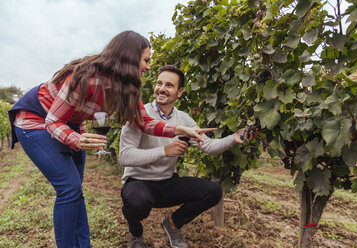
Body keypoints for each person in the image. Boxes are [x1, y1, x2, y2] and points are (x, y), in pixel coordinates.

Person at [8, 31, 211, 248]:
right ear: (130, 58)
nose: (149, 67)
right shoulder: (85, 79)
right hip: (36, 119)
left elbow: (145, 122)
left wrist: (179, 128)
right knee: (69, 188)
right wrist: (76, 139)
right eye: (146, 60)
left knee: (76, 190)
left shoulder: (128, 89)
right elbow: (53, 121)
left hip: (68, 124)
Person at [119, 65, 253, 248]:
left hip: (166, 182)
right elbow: (125, 156)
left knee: (213, 191)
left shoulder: (183, 119)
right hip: (138, 183)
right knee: (136, 203)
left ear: (180, 92)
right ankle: (135, 233)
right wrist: (165, 151)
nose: (162, 89)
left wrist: (233, 138)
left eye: (169, 85)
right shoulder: (138, 114)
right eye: (159, 83)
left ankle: (173, 224)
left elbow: (208, 146)